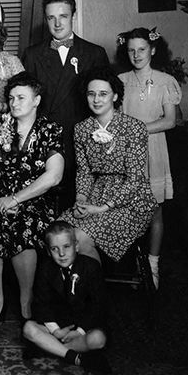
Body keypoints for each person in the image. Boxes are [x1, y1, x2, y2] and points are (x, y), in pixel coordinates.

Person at [0, 71, 64, 336]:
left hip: (36, 202)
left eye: (22, 97)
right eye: (11, 98)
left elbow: (54, 175)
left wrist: (15, 199)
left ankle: (27, 304)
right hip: (0, 200)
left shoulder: (50, 129)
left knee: (23, 226)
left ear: (36, 100)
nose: (15, 103)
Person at [58, 67, 157, 263]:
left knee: (81, 238)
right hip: (95, 194)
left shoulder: (134, 128)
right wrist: (81, 200)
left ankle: (90, 290)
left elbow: (135, 179)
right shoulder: (81, 129)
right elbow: (85, 172)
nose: (96, 100)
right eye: (91, 94)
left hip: (132, 202)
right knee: (59, 234)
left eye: (103, 94)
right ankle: (79, 288)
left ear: (115, 96)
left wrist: (102, 208)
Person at [22, 0, 110, 208]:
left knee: (81, 204)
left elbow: (108, 103)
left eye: (63, 16)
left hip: (85, 140)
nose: (57, 23)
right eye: (51, 18)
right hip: (46, 141)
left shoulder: (95, 53)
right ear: (45, 20)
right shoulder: (32, 54)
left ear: (74, 17)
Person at [116, 27, 182, 289]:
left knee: (154, 212)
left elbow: (170, 120)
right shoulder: (119, 79)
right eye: (131, 50)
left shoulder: (165, 81)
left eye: (142, 49)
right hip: (126, 152)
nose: (137, 54)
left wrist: (137, 127)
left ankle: (152, 265)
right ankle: (135, 266)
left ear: (153, 50)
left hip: (154, 150)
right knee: (129, 211)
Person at [22, 221, 111, 373]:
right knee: (28, 329)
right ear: (49, 251)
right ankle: (74, 357)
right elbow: (41, 304)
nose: (61, 254)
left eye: (66, 247)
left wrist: (80, 331)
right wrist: (56, 331)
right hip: (58, 327)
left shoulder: (91, 267)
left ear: (76, 246)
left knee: (98, 339)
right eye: (55, 249)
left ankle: (48, 347)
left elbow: (98, 305)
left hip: (83, 327)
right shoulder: (45, 269)